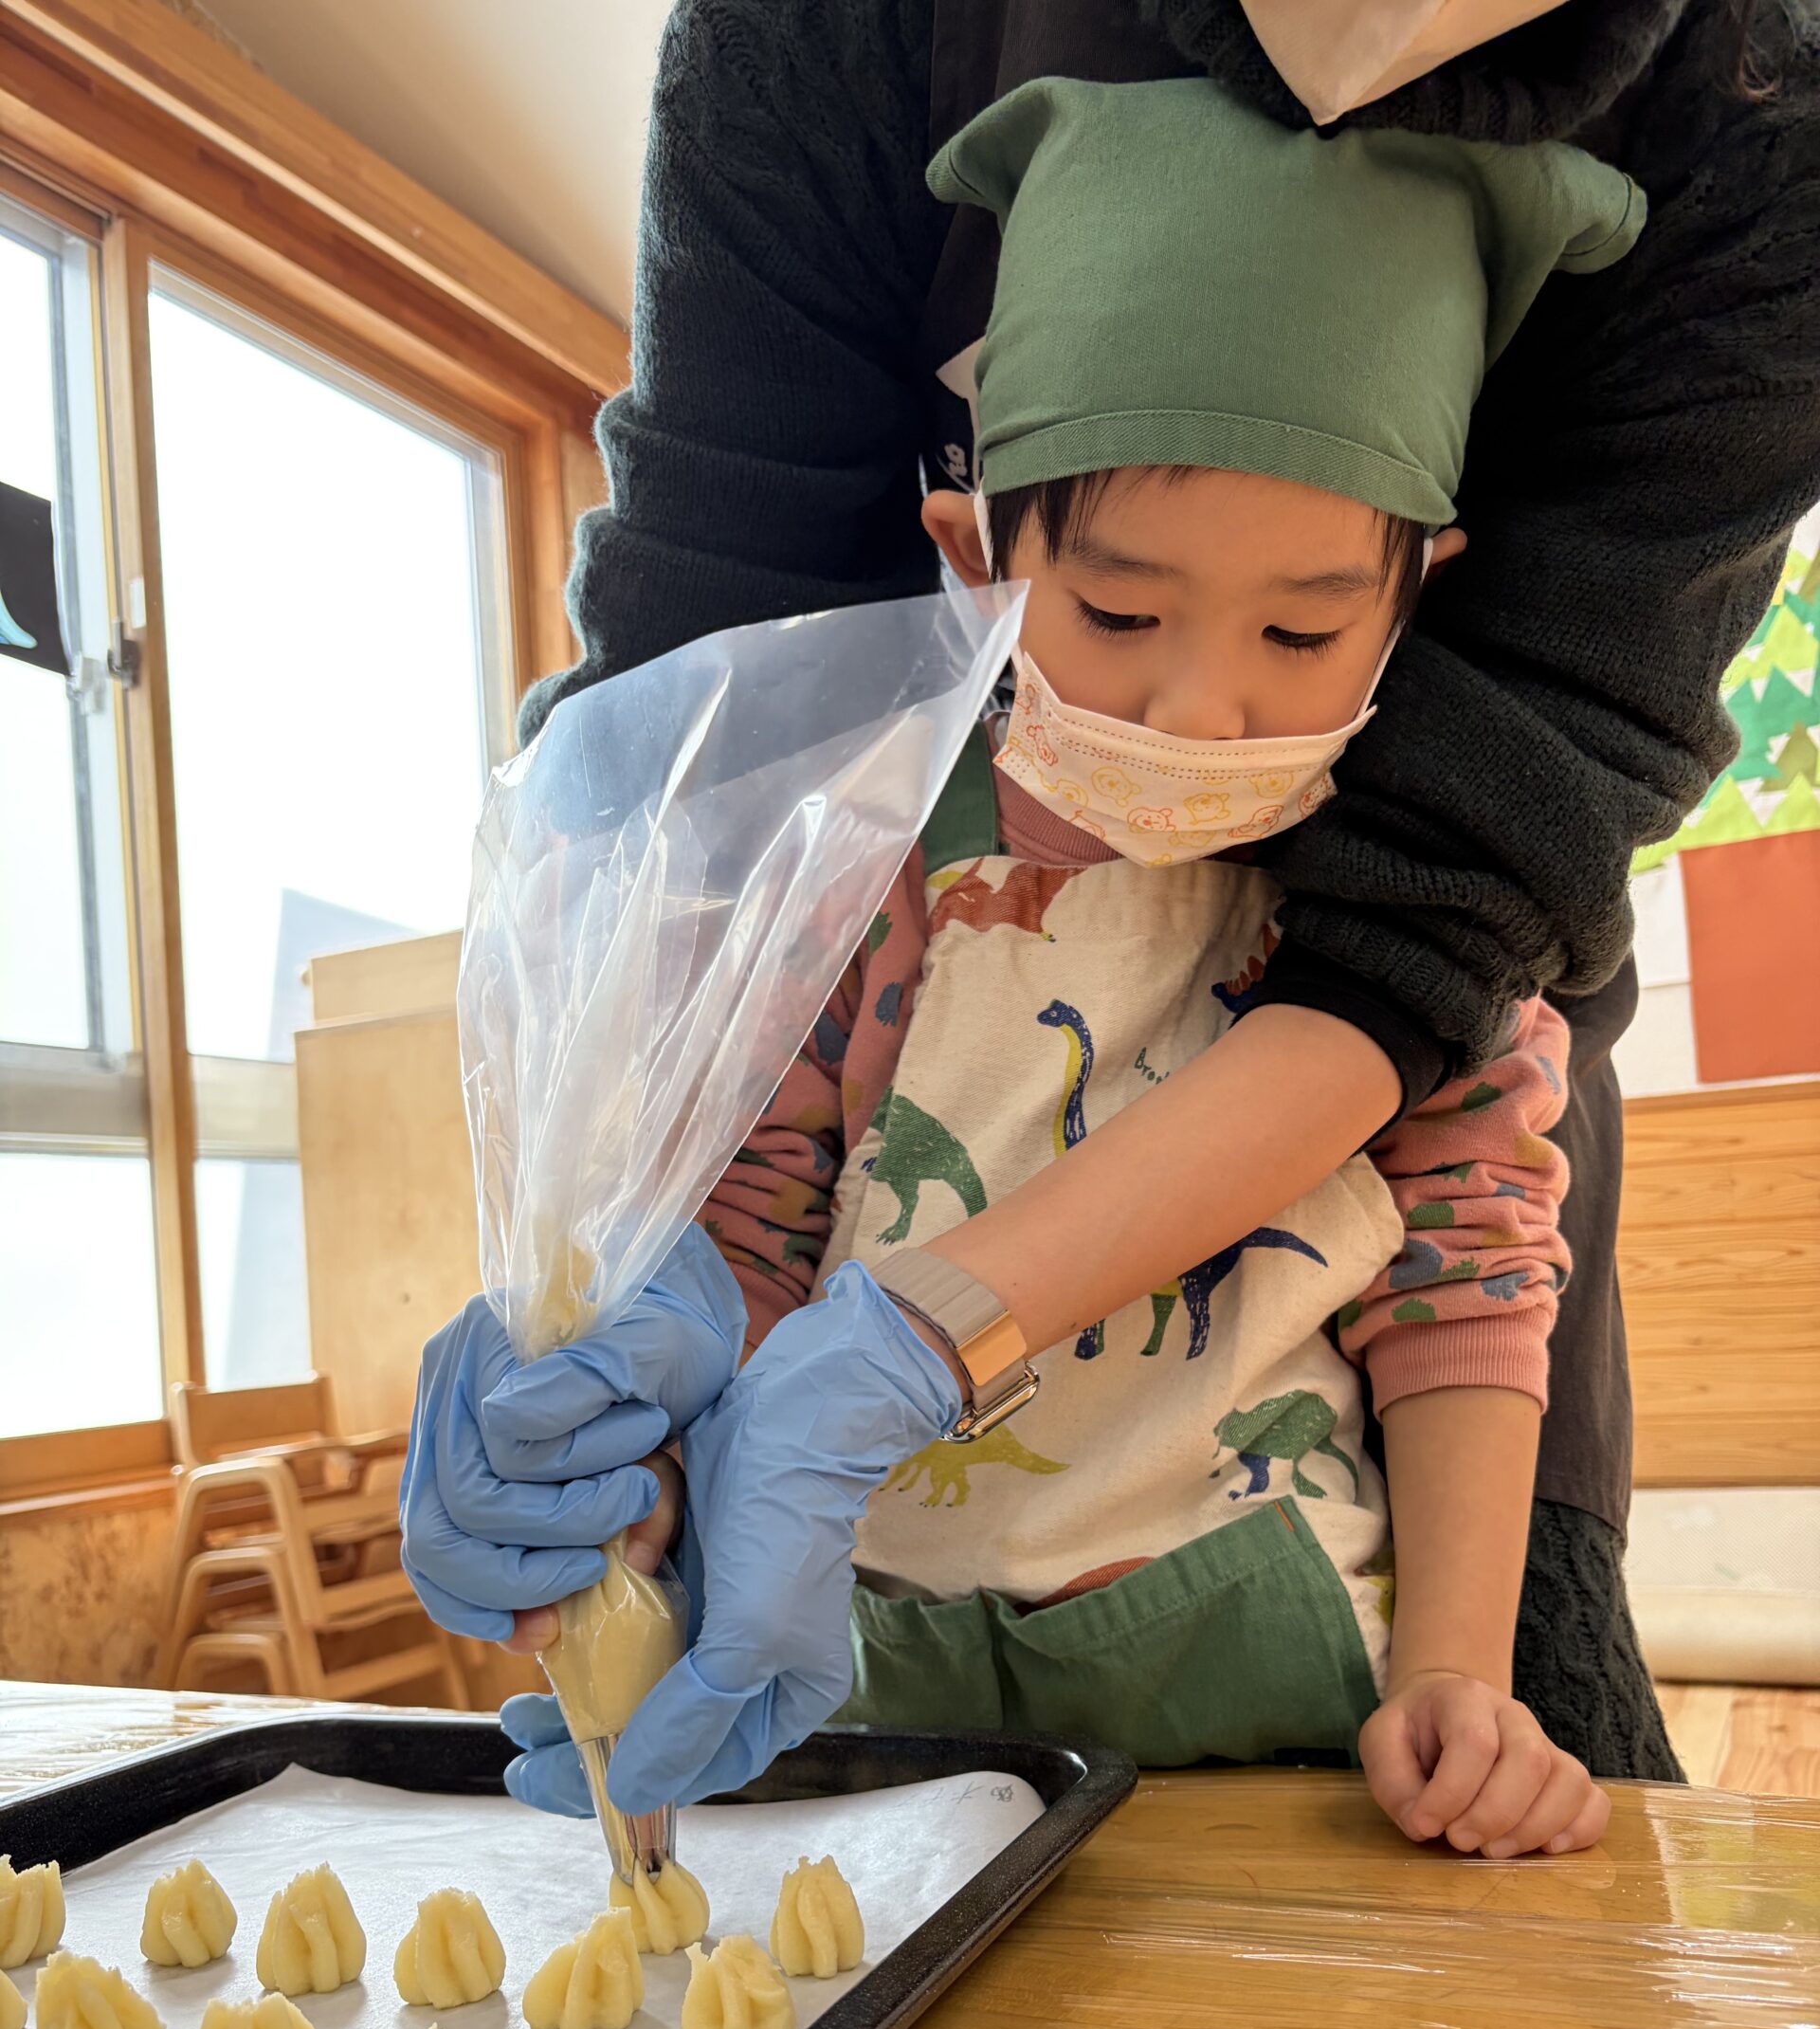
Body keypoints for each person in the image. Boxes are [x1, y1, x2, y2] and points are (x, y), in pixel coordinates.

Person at [404, 1, 1820, 1799]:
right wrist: (626, 1371)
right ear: (977, 556)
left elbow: (1465, 1262)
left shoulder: (1427, 914)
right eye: (1122, 616)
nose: (1199, 709)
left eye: (1303, 631)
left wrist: (1462, 1668)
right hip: (891, 1661)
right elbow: (740, 1113)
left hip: (1284, 1663)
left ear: (1424, 598)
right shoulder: (871, 874)